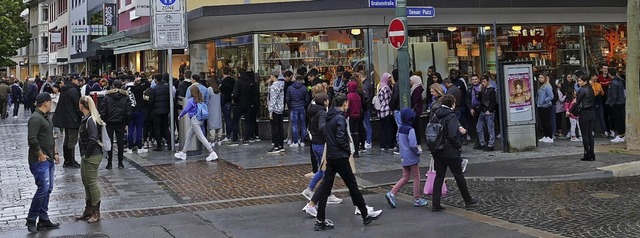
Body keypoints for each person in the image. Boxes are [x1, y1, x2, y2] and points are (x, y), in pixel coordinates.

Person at [310, 93, 381, 231]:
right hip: (340, 157)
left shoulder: (328, 116)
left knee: (326, 188)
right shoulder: (340, 118)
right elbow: (341, 137)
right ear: (344, 104)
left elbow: (325, 132)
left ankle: (320, 219)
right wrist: (347, 150)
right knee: (352, 186)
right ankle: (365, 214)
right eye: (347, 103)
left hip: (331, 156)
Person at [430, 95, 478, 212]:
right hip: (450, 150)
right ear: (452, 104)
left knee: (439, 176)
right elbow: (452, 134)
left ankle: (435, 203)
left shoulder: (435, 113)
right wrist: (458, 145)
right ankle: (468, 200)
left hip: (438, 149)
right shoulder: (451, 116)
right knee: (458, 175)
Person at [300, 92, 343, 208]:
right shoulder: (322, 113)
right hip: (321, 144)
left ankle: (310, 189)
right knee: (327, 170)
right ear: (324, 102)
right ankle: (326, 194)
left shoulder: (314, 111)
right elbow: (322, 127)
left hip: (315, 143)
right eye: (327, 100)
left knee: (322, 169)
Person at [26, 93, 61, 233]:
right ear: (46, 103)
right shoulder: (36, 118)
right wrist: (40, 155)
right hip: (40, 161)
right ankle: (31, 218)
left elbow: (50, 137)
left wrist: (55, 152)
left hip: (49, 158)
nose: (51, 104)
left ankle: (43, 218)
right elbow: (32, 139)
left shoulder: (45, 117)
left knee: (48, 189)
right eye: (50, 102)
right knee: (43, 189)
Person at [385, 108, 428, 208]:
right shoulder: (410, 129)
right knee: (416, 177)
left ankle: (392, 193)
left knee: (405, 177)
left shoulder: (401, 128)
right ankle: (416, 199)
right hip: (412, 156)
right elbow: (413, 144)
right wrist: (418, 152)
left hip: (404, 155)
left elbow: (399, 141)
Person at [77, 96, 105, 223]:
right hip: (87, 155)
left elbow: (93, 138)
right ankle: (88, 210)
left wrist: (86, 154)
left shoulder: (90, 120)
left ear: (82, 106)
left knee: (92, 182)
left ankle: (95, 211)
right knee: (86, 182)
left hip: (92, 155)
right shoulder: (86, 119)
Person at [174, 85, 219, 161]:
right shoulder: (200, 98)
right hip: (200, 120)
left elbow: (185, 110)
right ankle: (183, 152)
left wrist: (180, 116)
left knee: (201, 137)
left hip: (195, 121)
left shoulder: (191, 100)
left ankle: (212, 152)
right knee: (189, 135)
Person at [99, 80, 132, 169]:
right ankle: (120, 163)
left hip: (109, 122)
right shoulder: (125, 97)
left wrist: (104, 119)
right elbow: (128, 111)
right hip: (121, 121)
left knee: (109, 142)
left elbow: (103, 110)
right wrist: (127, 122)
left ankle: (109, 163)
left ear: (113, 86)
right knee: (120, 142)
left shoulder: (107, 97)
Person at [52, 75, 83, 168]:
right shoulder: (73, 90)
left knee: (67, 139)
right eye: (78, 80)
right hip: (72, 118)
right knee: (72, 140)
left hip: (65, 117)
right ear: (73, 80)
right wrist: (81, 115)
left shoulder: (66, 89)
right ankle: (71, 160)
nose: (79, 82)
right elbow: (76, 105)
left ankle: (67, 160)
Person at [231, 70, 258, 145]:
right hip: (248, 104)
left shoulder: (238, 82)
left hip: (239, 104)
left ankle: (235, 139)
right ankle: (246, 138)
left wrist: (235, 101)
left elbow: (235, 94)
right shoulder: (250, 83)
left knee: (235, 121)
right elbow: (254, 94)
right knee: (248, 122)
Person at [125, 75, 150, 154]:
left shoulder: (128, 89)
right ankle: (139, 147)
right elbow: (148, 84)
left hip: (130, 111)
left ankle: (130, 147)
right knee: (139, 129)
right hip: (139, 111)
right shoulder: (139, 89)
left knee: (131, 129)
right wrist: (142, 78)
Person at [574, 75, 596, 161]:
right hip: (591, 112)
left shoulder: (582, 90)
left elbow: (577, 102)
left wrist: (570, 111)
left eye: (580, 81)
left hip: (584, 113)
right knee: (590, 134)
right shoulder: (591, 89)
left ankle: (586, 153)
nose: (579, 83)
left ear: (585, 81)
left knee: (585, 134)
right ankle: (592, 153)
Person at [286, 75, 310, 147]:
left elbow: (287, 99)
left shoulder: (290, 88)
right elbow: (307, 99)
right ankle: (302, 141)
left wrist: (290, 106)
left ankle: (295, 142)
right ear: (302, 80)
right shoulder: (304, 88)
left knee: (294, 125)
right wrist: (304, 105)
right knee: (303, 125)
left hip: (293, 107)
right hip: (302, 107)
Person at [149, 74, 172, 151]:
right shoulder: (167, 87)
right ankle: (169, 143)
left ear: (155, 79)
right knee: (165, 127)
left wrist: (151, 109)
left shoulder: (153, 88)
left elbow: (151, 101)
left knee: (157, 128)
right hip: (165, 110)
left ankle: (159, 145)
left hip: (156, 111)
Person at [475, 75, 498, 151]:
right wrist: (479, 91)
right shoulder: (483, 89)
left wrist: (490, 110)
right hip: (483, 110)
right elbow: (479, 99)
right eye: (482, 81)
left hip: (488, 111)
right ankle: (482, 143)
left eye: (484, 81)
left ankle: (490, 144)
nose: (483, 83)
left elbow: (493, 101)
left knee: (490, 129)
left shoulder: (491, 90)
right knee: (479, 127)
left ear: (488, 81)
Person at [267, 70, 286, 153]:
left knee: (275, 128)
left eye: (270, 76)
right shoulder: (281, 85)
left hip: (274, 109)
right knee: (280, 127)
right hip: (280, 108)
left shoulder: (274, 87)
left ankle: (276, 145)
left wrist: (270, 111)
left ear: (273, 76)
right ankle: (281, 145)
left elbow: (272, 99)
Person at [606, 68, 626, 143]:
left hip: (616, 103)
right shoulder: (620, 81)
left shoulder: (613, 82)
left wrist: (611, 103)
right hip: (621, 102)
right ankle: (623, 134)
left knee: (618, 120)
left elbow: (613, 95)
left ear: (609, 74)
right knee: (621, 119)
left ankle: (620, 134)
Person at [377, 72, 394, 150]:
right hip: (387, 110)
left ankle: (383, 144)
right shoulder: (386, 88)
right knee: (388, 128)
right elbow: (388, 100)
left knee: (382, 128)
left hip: (381, 110)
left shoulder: (380, 87)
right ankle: (389, 144)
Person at [346, 80, 362, 157]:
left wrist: (345, 114)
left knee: (351, 133)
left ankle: (352, 149)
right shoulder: (358, 96)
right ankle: (356, 150)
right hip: (357, 116)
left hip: (351, 116)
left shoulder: (349, 96)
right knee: (356, 133)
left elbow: (348, 107)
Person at [536, 74, 555, 143]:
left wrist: (544, 101)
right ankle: (545, 135)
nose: (540, 79)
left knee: (547, 122)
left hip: (546, 106)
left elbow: (551, 96)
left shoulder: (547, 86)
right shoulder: (541, 86)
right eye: (539, 77)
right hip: (540, 106)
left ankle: (550, 136)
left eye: (542, 77)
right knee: (543, 122)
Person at [219, 67, 235, 143]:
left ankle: (228, 134)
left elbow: (220, 89)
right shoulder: (233, 80)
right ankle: (232, 132)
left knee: (227, 118)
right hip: (232, 100)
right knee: (230, 117)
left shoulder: (224, 81)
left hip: (225, 100)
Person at [206, 77, 224, 146]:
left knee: (212, 125)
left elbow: (206, 99)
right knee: (219, 124)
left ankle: (212, 140)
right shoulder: (217, 89)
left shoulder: (209, 89)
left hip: (211, 109)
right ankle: (219, 139)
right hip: (218, 109)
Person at [590, 73, 608, 138]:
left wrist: (600, 92)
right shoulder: (589, 85)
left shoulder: (598, 84)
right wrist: (597, 92)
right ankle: (592, 131)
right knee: (593, 117)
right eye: (595, 76)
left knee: (601, 117)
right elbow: (592, 94)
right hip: (592, 103)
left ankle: (605, 131)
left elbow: (603, 93)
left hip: (599, 102)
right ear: (592, 77)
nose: (597, 78)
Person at [409, 75, 425, 145]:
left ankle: (417, 142)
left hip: (416, 110)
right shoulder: (417, 88)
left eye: (411, 81)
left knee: (416, 127)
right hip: (417, 110)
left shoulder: (416, 90)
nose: (410, 82)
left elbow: (414, 100)